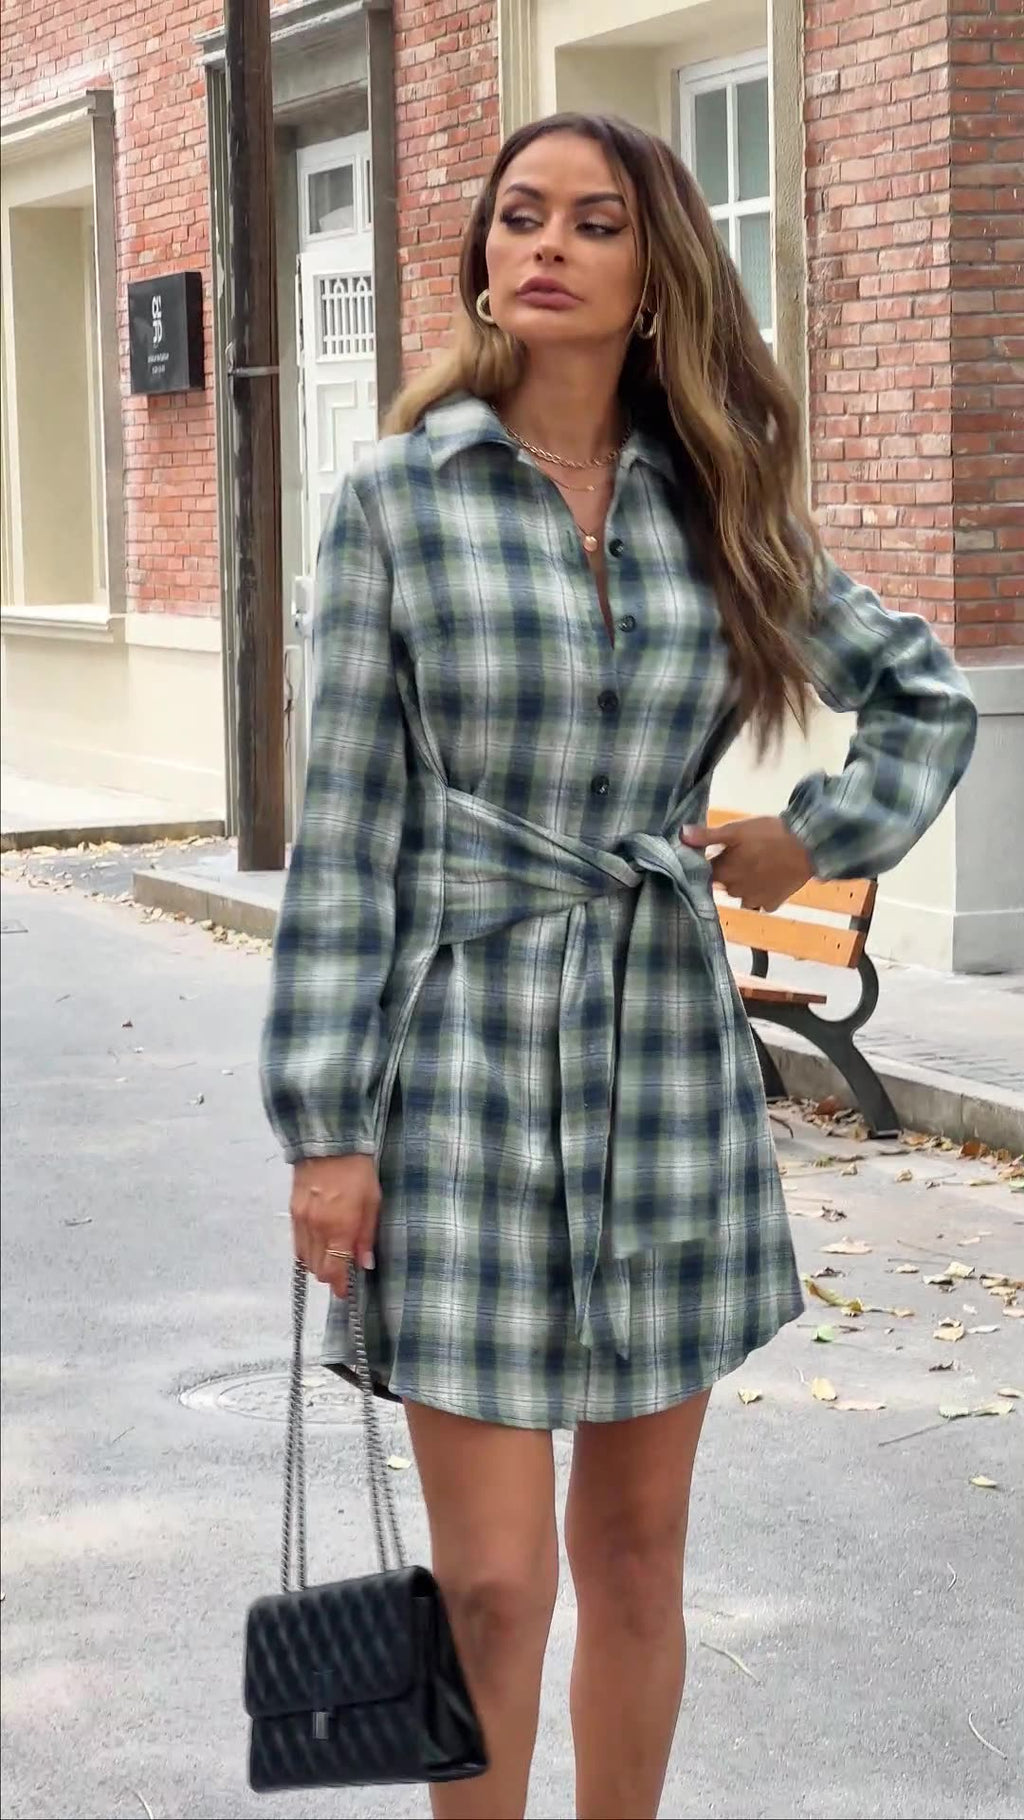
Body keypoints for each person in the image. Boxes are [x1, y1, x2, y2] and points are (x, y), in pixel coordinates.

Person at [260, 114, 977, 1820]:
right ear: (481, 259)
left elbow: (925, 695)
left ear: (655, 273)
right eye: (520, 217)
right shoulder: (397, 502)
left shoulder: (718, 507)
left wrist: (817, 834)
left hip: (663, 1068)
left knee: (641, 1557)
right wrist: (324, 1129)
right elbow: (347, 839)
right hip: (459, 1070)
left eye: (593, 222)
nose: (547, 246)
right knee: (494, 1586)